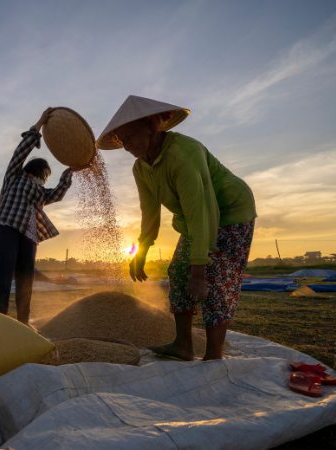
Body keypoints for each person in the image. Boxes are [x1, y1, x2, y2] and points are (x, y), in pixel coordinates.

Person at [97, 95, 256, 360]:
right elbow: (149, 214)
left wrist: (199, 271)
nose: (126, 146)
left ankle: (213, 355)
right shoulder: (141, 168)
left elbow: (202, 210)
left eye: (130, 137)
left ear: (153, 125)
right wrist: (140, 252)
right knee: (178, 271)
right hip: (195, 219)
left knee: (216, 281)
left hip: (231, 213)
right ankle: (183, 345)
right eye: (121, 141)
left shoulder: (184, 153)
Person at [0, 108, 75, 325]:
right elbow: (21, 150)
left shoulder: (41, 193)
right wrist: (39, 124)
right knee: (3, 273)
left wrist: (70, 173)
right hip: (7, 226)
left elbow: (56, 194)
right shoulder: (15, 177)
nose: (46, 178)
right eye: (46, 173)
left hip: (29, 235)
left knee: (25, 278)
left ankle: (22, 322)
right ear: (35, 170)